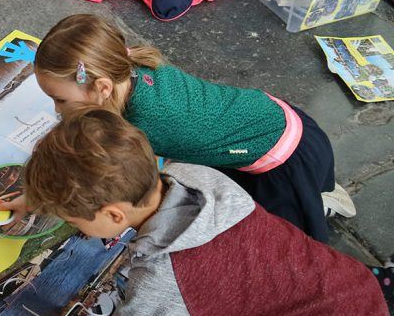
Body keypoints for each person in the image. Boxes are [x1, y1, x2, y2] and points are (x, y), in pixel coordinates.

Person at [0, 106, 393, 316]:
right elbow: (95, 176)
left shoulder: (167, 281)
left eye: (74, 220)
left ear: (113, 213)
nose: (75, 228)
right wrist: (45, 197)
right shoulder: (192, 176)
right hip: (352, 288)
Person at [27, 13, 354, 242]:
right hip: (277, 119)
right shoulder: (131, 73)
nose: (57, 111)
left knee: (284, 242)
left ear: (102, 88)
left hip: (279, 158)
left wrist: (44, 198)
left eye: (60, 100)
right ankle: (316, 193)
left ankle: (316, 202)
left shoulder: (149, 124)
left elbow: (108, 184)